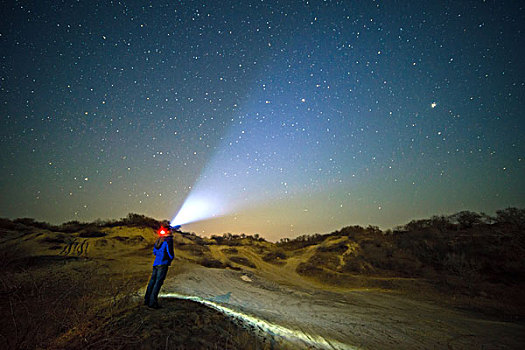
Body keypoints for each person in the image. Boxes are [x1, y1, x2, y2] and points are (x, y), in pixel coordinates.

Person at [144, 225, 175, 309]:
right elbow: (170, 252)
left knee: (152, 282)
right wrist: (170, 258)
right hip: (163, 263)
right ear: (168, 231)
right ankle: (152, 303)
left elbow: (154, 252)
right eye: (171, 230)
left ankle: (146, 300)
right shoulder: (169, 240)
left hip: (156, 263)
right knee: (158, 283)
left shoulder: (159, 240)